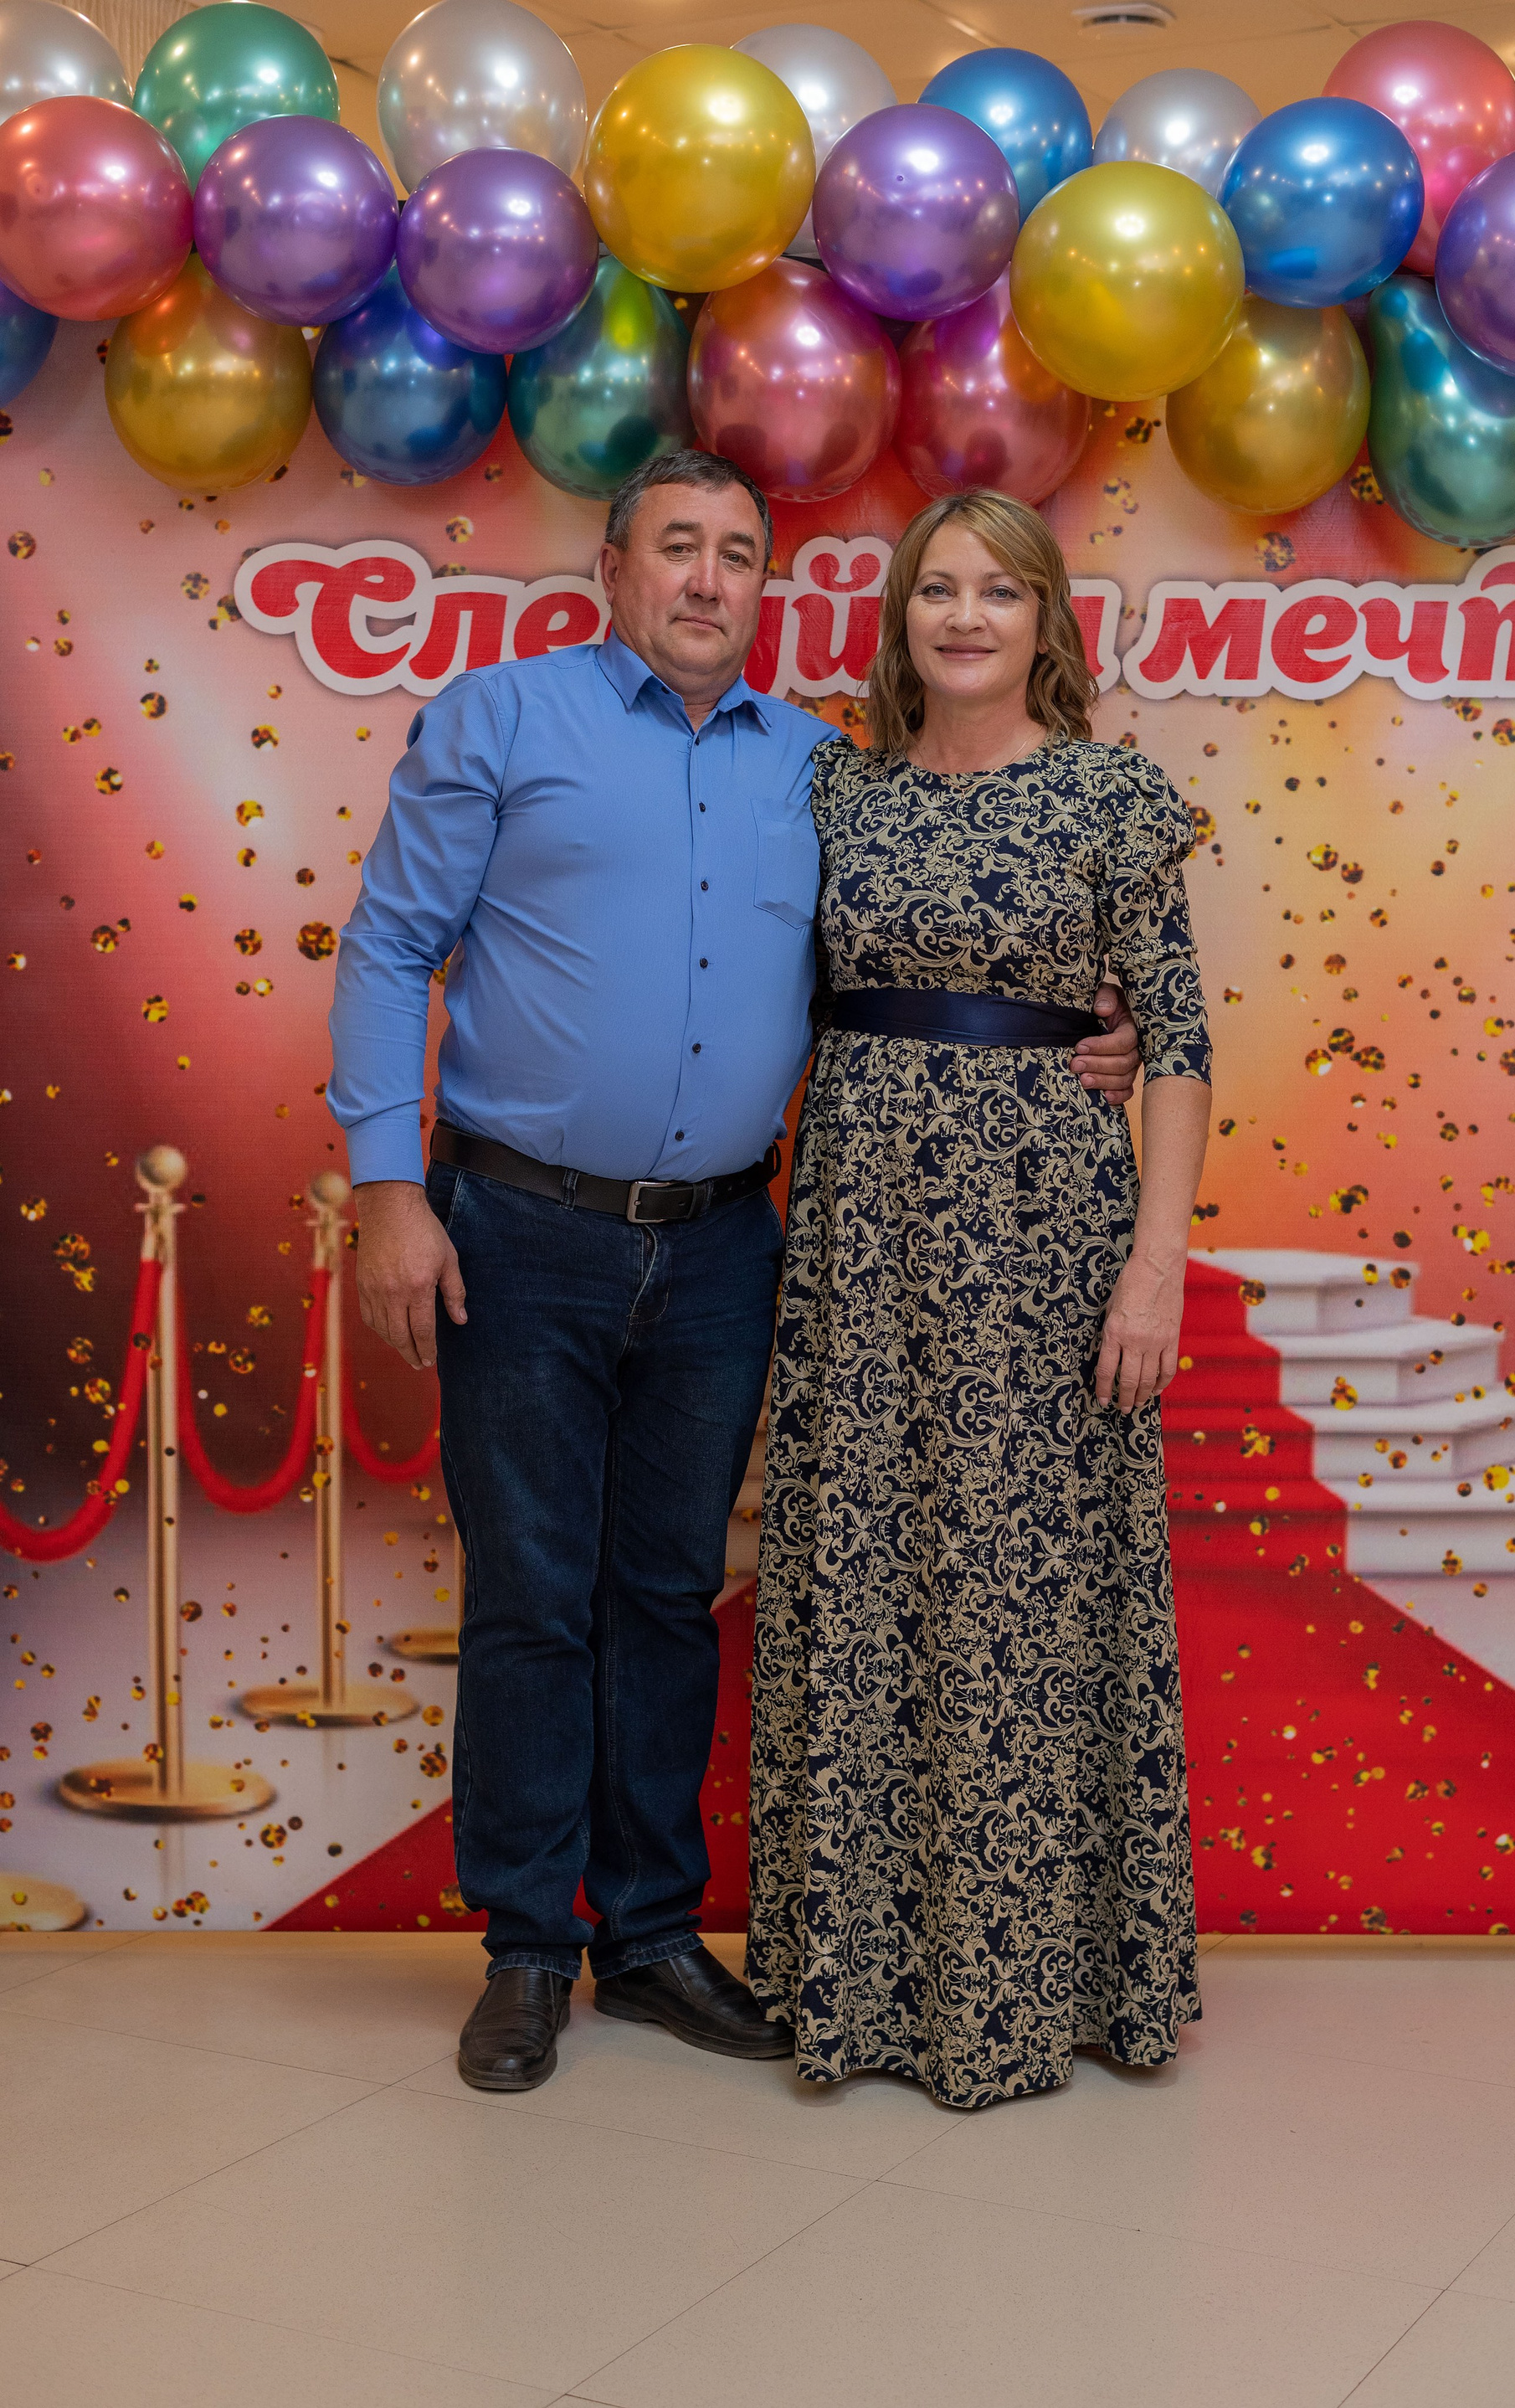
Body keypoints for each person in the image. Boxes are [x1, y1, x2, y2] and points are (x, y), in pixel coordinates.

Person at [326, 452, 1144, 2094]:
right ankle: (525, 1949)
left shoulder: (820, 770)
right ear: (612, 568)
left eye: (739, 555)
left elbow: (914, 957)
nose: (708, 580)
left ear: (769, 586)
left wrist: (1086, 1030)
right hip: (520, 1228)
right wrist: (386, 1188)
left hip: (723, 1243)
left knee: (666, 1592)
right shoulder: (499, 719)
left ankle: (645, 1935)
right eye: (677, 547)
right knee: (534, 1597)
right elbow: (390, 946)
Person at [747, 488, 1213, 2111]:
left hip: (1044, 1246)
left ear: (1045, 623)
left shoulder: (1111, 795)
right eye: (936, 588)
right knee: (864, 1573)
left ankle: (1030, 1982)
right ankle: (860, 1982)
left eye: (997, 592)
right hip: (861, 1244)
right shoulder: (835, 788)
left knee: (1025, 1593)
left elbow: (1179, 1043)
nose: (963, 616)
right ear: (900, 617)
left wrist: (1155, 1263)